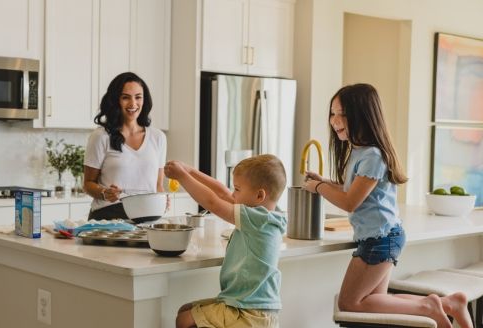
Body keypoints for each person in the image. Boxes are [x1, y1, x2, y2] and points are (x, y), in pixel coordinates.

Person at [303, 83, 472, 328]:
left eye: (343, 114)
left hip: (379, 240)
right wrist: (326, 182)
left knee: (350, 302)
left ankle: (429, 306)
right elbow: (352, 190)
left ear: (363, 115)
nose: (334, 120)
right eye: (332, 113)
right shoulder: (359, 151)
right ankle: (449, 304)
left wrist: (318, 188)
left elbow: (351, 202)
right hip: (381, 237)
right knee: (376, 300)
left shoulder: (372, 155)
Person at [165, 154, 287, 328]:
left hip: (249, 313)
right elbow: (221, 193)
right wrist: (190, 170)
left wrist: (183, 176)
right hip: (247, 305)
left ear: (259, 196)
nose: (232, 194)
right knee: (186, 310)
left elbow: (213, 202)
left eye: (237, 189)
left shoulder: (258, 219)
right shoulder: (265, 216)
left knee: (184, 320)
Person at [83, 72, 167, 220]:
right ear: (116, 100)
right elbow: (88, 184)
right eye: (125, 97)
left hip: (148, 219)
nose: (133, 104)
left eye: (138, 97)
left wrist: (162, 200)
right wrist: (105, 192)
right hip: (109, 218)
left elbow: (158, 185)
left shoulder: (158, 137)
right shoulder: (101, 136)